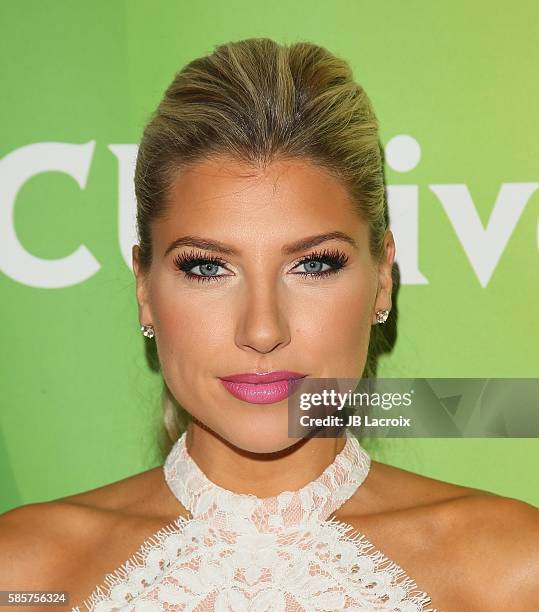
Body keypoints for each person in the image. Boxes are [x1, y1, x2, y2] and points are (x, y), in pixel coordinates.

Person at [1, 37, 538, 611]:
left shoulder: (514, 571)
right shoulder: (24, 571)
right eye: (207, 268)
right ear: (145, 288)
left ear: (383, 277)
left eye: (313, 264)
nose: (261, 330)